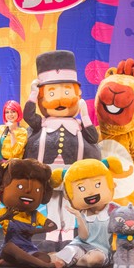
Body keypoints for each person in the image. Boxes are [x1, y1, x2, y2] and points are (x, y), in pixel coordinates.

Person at [23, 50, 101, 251]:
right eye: (51, 93)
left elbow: (94, 138)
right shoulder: (42, 123)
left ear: (77, 94)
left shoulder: (78, 125)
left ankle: (66, 235)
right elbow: (28, 116)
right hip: (49, 171)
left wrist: (85, 115)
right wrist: (32, 93)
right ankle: (52, 234)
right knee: (51, 203)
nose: (59, 100)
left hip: (71, 172)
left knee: (68, 204)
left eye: (67, 92)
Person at [0, 158, 57, 268]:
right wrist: (4, 217)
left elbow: (52, 226)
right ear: (2, 188)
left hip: (28, 249)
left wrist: (35, 231)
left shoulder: (34, 215)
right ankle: (44, 265)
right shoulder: (6, 212)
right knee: (10, 247)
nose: (28, 193)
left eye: (37, 190)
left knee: (45, 257)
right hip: (9, 251)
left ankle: (15, 263)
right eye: (20, 187)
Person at [48, 158, 121, 268]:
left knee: (95, 259)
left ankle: (73, 260)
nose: (91, 192)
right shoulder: (83, 212)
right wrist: (78, 216)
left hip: (101, 249)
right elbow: (83, 237)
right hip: (80, 245)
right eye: (81, 188)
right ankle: (65, 258)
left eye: (97, 184)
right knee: (60, 256)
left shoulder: (113, 209)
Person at [0, 100, 28, 247]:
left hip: (14, 171)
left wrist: (12, 132)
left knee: (12, 205)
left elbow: (16, 151)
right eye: (7, 112)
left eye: (13, 111)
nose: (10, 114)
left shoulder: (22, 132)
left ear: (18, 113)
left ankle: (13, 240)